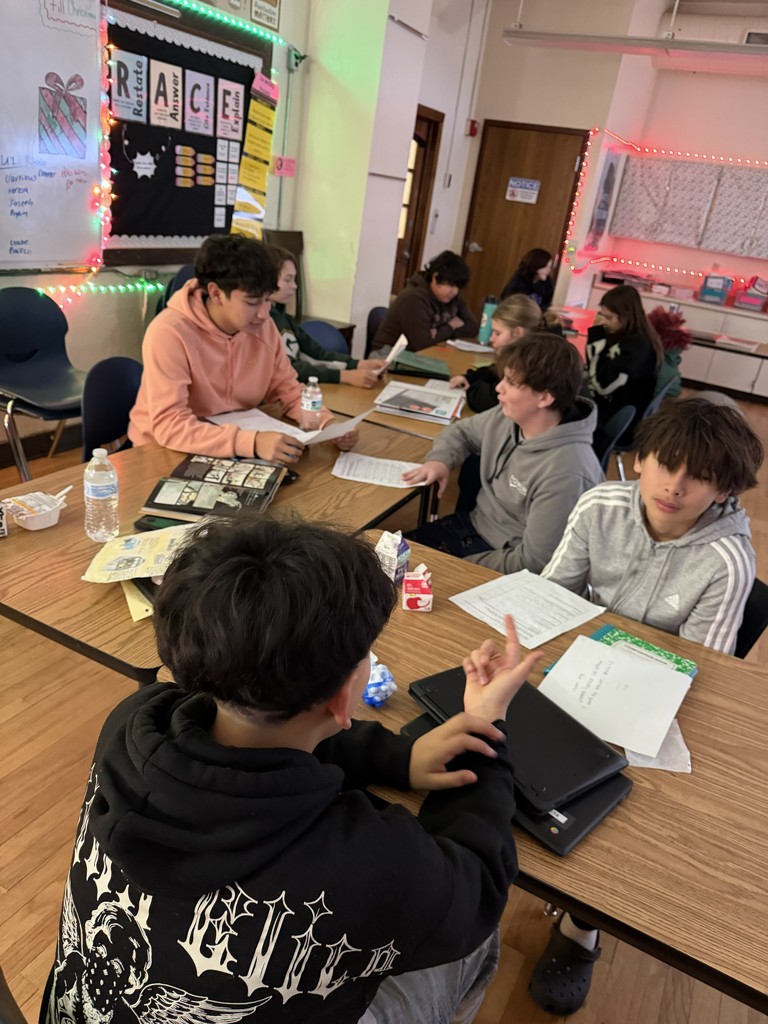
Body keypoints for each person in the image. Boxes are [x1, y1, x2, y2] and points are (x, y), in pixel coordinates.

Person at [43, 515, 543, 1024]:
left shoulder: (132, 724)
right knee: (476, 945)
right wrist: (484, 730)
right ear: (342, 700)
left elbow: (254, 747)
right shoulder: (367, 861)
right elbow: (477, 885)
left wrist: (395, 758)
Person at [531, 396, 764, 1016]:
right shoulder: (600, 504)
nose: (676, 485)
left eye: (701, 476)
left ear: (723, 489)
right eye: (666, 462)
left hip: (651, 693)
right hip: (577, 668)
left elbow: (697, 670)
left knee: (624, 803)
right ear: (641, 460)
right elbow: (553, 597)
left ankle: (583, 925)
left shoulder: (727, 560)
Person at [128, 234, 357, 465]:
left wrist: (328, 424)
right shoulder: (169, 333)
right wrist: (253, 443)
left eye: (268, 300)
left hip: (230, 445)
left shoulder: (264, 328)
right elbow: (170, 425)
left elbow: (289, 391)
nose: (264, 313)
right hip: (160, 452)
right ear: (216, 293)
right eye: (252, 302)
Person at [402, 334, 604, 574]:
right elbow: (462, 432)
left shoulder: (567, 472)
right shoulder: (510, 416)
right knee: (378, 559)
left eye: (510, 381)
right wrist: (440, 460)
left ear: (545, 397)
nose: (499, 388)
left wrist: (451, 569)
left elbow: (534, 562)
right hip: (471, 527)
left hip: (504, 561)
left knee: (394, 578)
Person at [267, 246, 386, 387]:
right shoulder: (262, 323)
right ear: (267, 279)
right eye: (288, 280)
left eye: (294, 279)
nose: (294, 286)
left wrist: (360, 364)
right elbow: (288, 369)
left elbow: (317, 354)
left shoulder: (285, 318)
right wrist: (344, 376)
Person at [584, 284, 664, 449]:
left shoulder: (637, 348)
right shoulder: (626, 336)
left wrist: (597, 338)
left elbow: (603, 386)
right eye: (602, 315)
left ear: (625, 317)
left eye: (608, 317)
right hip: (615, 408)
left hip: (617, 424)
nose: (603, 322)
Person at [448, 295, 557, 413]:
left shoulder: (532, 363)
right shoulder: (527, 351)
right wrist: (469, 378)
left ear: (518, 333)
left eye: (497, 333)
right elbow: (495, 371)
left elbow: (487, 400)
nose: (491, 338)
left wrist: (470, 388)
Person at [372, 250, 480, 352]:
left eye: (458, 286)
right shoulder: (414, 298)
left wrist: (438, 333)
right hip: (388, 355)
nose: (455, 291)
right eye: (450, 285)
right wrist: (450, 326)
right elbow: (423, 344)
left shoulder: (453, 298)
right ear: (435, 277)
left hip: (420, 354)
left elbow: (473, 328)